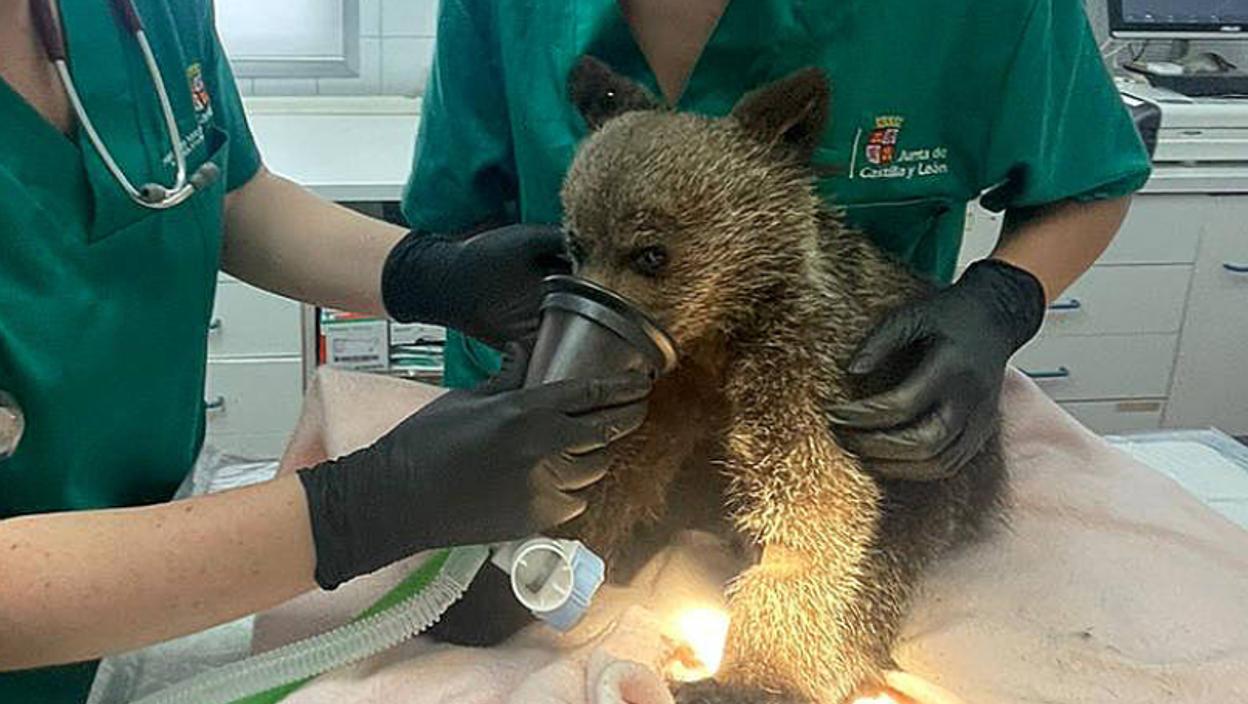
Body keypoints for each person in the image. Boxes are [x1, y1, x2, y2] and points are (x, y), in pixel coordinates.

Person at [0, 0, 651, 704]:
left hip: (157, 601)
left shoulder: (145, 13)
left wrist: (427, 273)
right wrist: (360, 512)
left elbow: (228, 192)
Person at [405, 0, 1151, 481]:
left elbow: (1087, 181)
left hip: (839, 428)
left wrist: (1001, 302)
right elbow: (456, 211)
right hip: (557, 418)